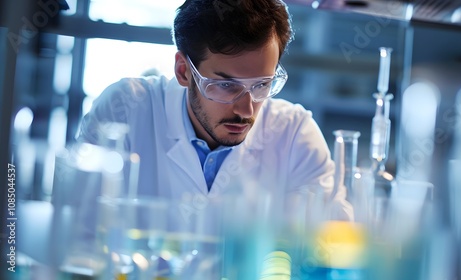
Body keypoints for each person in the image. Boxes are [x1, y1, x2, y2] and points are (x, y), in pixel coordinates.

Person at [77, 0, 352, 225]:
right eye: (225, 85)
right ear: (184, 71)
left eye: (262, 85)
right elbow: (82, 235)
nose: (246, 110)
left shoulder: (295, 134)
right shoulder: (125, 111)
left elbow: (330, 247)